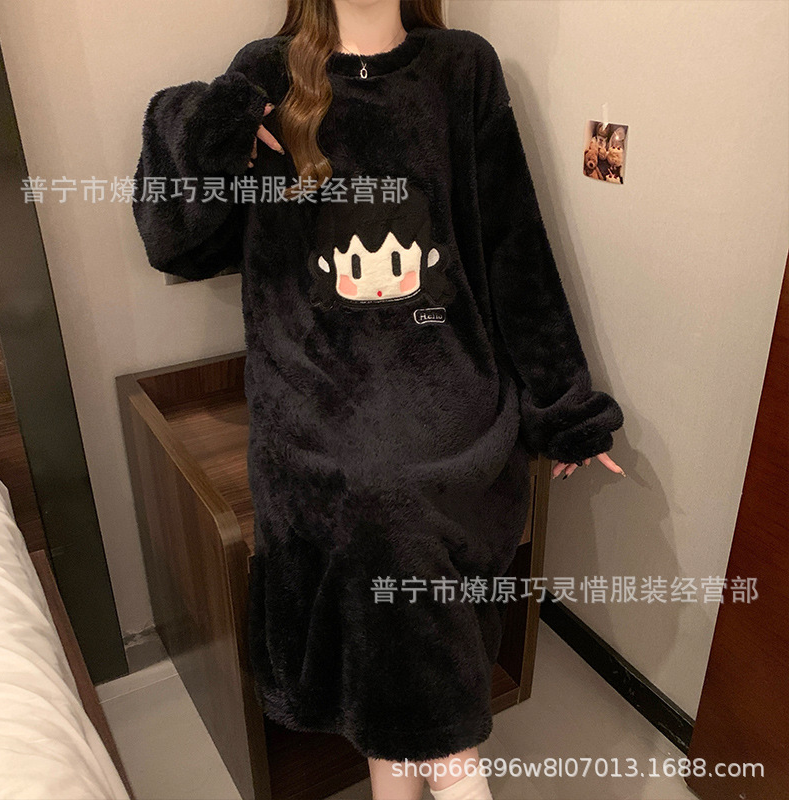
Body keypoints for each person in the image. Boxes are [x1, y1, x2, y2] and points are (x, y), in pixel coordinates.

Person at [131, 1, 626, 798]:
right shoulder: (266, 73)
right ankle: (457, 769)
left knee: (400, 504)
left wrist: (564, 404)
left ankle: (426, 770)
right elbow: (176, 241)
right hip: (313, 379)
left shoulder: (464, 68)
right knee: (375, 500)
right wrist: (211, 122)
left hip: (443, 370)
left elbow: (513, 244)